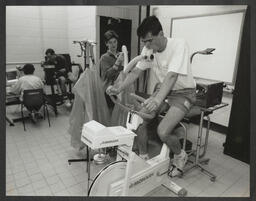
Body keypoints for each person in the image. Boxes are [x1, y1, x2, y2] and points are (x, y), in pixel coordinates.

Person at [107, 16, 197, 177]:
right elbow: (136, 71)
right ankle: (143, 157)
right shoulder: (148, 49)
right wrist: (118, 87)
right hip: (163, 90)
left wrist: (157, 99)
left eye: (149, 40)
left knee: (162, 131)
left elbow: (172, 76)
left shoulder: (179, 44)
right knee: (139, 121)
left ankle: (179, 155)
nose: (147, 46)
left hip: (184, 93)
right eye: (144, 42)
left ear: (161, 34)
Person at [99, 30, 124, 109]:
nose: (113, 45)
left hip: (120, 88)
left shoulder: (121, 55)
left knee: (121, 112)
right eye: (110, 42)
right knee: (111, 115)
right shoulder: (104, 58)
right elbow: (108, 75)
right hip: (109, 91)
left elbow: (125, 70)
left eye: (115, 41)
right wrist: (117, 62)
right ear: (106, 44)